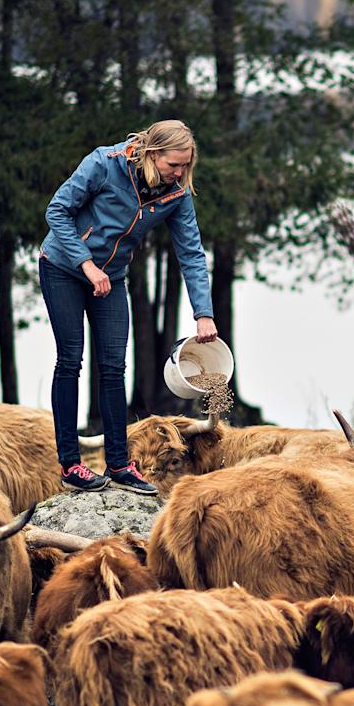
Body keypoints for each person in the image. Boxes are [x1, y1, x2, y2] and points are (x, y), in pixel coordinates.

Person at [39, 120, 218, 495]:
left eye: (186, 165)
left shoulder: (176, 193)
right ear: (153, 155)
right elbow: (56, 212)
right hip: (64, 268)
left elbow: (191, 253)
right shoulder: (103, 164)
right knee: (70, 359)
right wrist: (86, 264)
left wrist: (204, 313)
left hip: (111, 277)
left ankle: (120, 465)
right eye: (174, 165)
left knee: (113, 367)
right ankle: (71, 464)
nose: (180, 173)